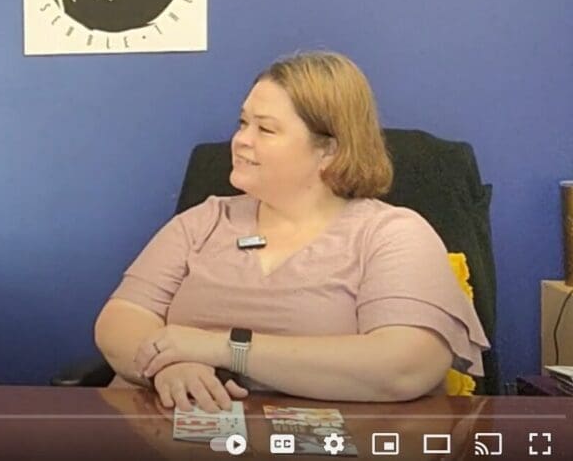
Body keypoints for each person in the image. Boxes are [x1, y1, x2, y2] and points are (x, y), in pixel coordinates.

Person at [94, 51, 489, 413]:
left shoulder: (392, 234)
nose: (240, 140)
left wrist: (221, 348)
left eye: (265, 130)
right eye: (243, 123)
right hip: (182, 435)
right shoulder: (205, 220)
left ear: (330, 149)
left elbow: (407, 365)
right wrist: (166, 367)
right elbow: (120, 319)